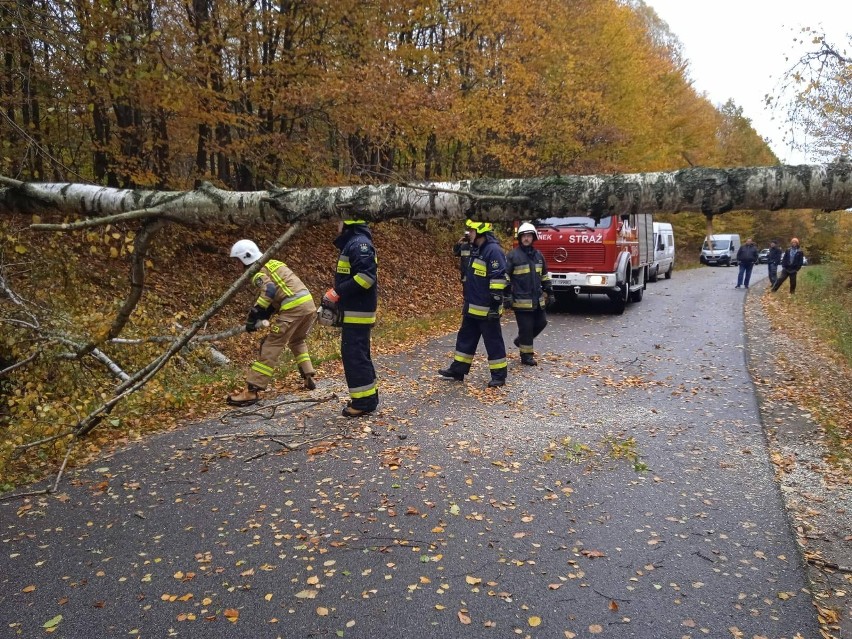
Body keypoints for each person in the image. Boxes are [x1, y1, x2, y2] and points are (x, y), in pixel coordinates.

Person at [227, 239, 317, 406]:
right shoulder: (273, 263)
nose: (236, 266)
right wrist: (266, 314)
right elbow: (281, 291)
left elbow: (269, 290)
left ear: (245, 258)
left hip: (293, 308)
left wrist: (256, 314)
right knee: (297, 340)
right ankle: (308, 374)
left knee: (271, 344)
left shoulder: (256, 272)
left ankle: (252, 390)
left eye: (237, 261)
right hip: (308, 305)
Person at [438, 219, 509, 387]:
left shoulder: (493, 251)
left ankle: (499, 375)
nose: (468, 233)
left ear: (480, 233)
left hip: (487, 309)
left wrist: (495, 305)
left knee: (493, 342)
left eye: (471, 231)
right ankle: (458, 370)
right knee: (465, 339)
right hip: (472, 306)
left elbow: (498, 280)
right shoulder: (476, 250)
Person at [321, 218, 379, 417]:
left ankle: (364, 402)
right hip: (355, 311)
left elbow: (366, 277)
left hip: (358, 313)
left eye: (339, 221)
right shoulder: (354, 243)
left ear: (348, 223)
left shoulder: (359, 244)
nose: (336, 224)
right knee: (358, 355)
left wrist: (337, 292)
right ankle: (367, 397)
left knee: (354, 356)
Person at [506, 222, 554, 366]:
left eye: (529, 236)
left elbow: (544, 276)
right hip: (521, 301)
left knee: (542, 322)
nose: (526, 238)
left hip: (537, 299)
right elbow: (505, 277)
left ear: (533, 238)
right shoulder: (513, 256)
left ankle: (520, 341)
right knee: (526, 329)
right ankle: (526, 356)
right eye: (524, 236)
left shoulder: (538, 256)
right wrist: (507, 296)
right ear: (520, 238)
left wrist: (550, 292)